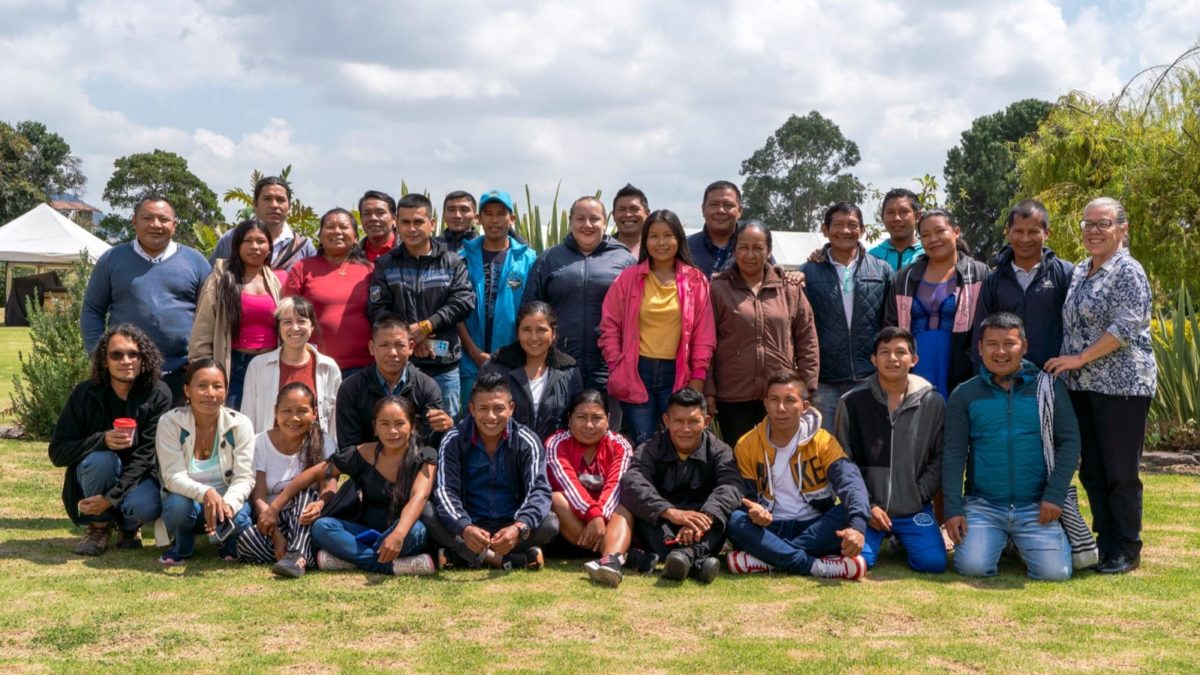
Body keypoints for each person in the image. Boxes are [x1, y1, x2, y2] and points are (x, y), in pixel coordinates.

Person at [1045, 197, 1156, 575]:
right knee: (1092, 469)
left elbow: (1125, 326)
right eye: (1088, 223)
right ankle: (1104, 540)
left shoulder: (1128, 271)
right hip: (1083, 386)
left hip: (1121, 386)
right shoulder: (1080, 271)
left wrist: (1077, 359)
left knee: (1119, 470)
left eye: (1103, 224)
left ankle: (1127, 546)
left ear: (1122, 229)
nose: (1094, 231)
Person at [944, 313, 1080, 581]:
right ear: (980, 348)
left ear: (1025, 346)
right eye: (992, 344)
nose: (1001, 352)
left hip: (1036, 506)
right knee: (973, 568)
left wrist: (1054, 495)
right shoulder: (964, 394)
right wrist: (953, 509)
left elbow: (1070, 441)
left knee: (1056, 573)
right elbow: (953, 453)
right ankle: (1003, 540)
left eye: (1009, 343)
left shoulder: (1048, 387)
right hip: (984, 506)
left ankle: (1015, 541)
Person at [723, 370, 872, 579]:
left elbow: (850, 482)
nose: (781, 408)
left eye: (789, 400)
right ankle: (814, 566)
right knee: (734, 521)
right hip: (768, 526)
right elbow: (743, 496)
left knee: (850, 510)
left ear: (804, 406)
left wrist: (856, 528)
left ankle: (767, 558)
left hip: (814, 525)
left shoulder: (823, 441)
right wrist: (753, 509)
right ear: (765, 403)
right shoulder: (747, 444)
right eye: (774, 400)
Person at [49, 325, 172, 555]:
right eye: (117, 355)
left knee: (146, 506)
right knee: (101, 460)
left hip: (139, 476)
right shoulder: (84, 394)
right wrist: (101, 440)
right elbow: (58, 452)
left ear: (143, 359)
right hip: (95, 473)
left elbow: (146, 456)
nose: (126, 360)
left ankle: (128, 527)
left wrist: (110, 498)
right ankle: (99, 527)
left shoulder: (158, 394)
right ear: (105, 361)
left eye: (133, 354)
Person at [599, 209, 716, 446]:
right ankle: (644, 484)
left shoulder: (695, 280)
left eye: (668, 235)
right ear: (645, 240)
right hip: (636, 371)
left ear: (679, 239)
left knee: (678, 442)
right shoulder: (628, 278)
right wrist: (616, 364)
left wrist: (699, 377)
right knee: (644, 443)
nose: (661, 243)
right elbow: (609, 326)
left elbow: (705, 335)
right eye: (653, 236)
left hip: (678, 373)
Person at [835, 327, 946, 573]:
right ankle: (877, 536)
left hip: (914, 508)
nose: (892, 358)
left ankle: (906, 538)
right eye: (884, 352)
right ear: (874, 359)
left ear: (914, 359)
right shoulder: (851, 402)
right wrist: (868, 505)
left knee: (933, 563)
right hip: (867, 511)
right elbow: (843, 462)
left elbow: (940, 457)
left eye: (900, 352)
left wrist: (919, 494)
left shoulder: (933, 402)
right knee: (857, 563)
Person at [285, 396, 438, 575]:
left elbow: (419, 497)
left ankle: (351, 558)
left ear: (412, 426)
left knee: (416, 530)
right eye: (384, 424)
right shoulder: (364, 453)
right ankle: (390, 566)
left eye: (399, 423)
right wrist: (276, 506)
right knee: (322, 527)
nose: (392, 431)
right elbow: (317, 472)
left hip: (404, 533)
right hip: (365, 533)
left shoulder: (426, 457)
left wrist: (397, 534)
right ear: (375, 427)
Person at [81, 196, 212, 403]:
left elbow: (210, 316)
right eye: (147, 218)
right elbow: (92, 311)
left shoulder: (196, 262)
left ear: (174, 225)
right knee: (128, 434)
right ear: (134, 222)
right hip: (128, 374)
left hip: (183, 374)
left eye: (163, 219)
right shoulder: (112, 259)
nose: (155, 225)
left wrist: (202, 360)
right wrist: (101, 356)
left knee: (178, 434)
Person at [427, 372, 558, 570]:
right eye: (483, 409)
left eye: (498, 409)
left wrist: (518, 527)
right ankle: (506, 560)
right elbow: (445, 491)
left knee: (549, 523)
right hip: (469, 524)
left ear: (511, 408)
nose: (491, 416)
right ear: (471, 409)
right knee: (428, 512)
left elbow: (538, 490)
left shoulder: (527, 440)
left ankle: (464, 556)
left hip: (510, 525)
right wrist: (465, 527)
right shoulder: (453, 439)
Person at [709, 220, 819, 444]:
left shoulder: (789, 288)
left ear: (769, 251)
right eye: (743, 247)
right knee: (739, 462)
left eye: (758, 248)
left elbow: (807, 341)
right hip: (732, 396)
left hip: (780, 396)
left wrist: (806, 387)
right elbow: (706, 345)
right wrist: (709, 391)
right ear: (734, 250)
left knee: (780, 460)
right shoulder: (718, 289)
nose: (750, 255)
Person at [367, 193, 474, 420]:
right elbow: (377, 309)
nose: (412, 228)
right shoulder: (386, 264)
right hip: (400, 367)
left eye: (418, 222)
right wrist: (410, 337)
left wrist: (425, 326)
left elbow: (463, 301)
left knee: (444, 428)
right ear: (396, 223)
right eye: (405, 222)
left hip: (443, 366)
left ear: (432, 223)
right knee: (399, 428)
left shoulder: (452, 261)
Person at [619, 388, 741, 583]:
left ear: (706, 422)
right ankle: (695, 564)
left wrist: (705, 517)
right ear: (666, 421)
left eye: (693, 421)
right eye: (678, 421)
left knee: (724, 515)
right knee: (641, 509)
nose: (685, 428)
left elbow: (731, 485)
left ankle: (680, 557)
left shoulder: (720, 451)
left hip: (703, 527)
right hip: (665, 524)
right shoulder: (651, 447)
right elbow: (632, 482)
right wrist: (670, 512)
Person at [524, 196, 635, 395]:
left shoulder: (625, 260)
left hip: (609, 365)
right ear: (570, 223)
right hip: (559, 363)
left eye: (594, 219)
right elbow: (530, 311)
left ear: (606, 222)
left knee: (605, 423)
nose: (587, 225)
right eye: (580, 218)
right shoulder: (548, 259)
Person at [545, 389, 655, 587]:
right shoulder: (556, 443)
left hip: (609, 519)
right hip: (575, 521)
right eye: (581, 417)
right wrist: (592, 514)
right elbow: (566, 483)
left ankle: (609, 561)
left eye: (597, 418)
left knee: (626, 506)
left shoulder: (621, 445)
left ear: (608, 419)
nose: (589, 425)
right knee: (556, 499)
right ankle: (616, 555)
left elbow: (616, 487)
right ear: (569, 419)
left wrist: (599, 516)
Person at [801, 203, 893, 431]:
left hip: (868, 376)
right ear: (825, 229)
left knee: (867, 443)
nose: (845, 231)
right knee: (827, 446)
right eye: (838, 225)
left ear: (862, 230)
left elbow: (890, 324)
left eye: (852, 225)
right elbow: (801, 328)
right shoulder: (808, 272)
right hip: (825, 380)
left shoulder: (882, 271)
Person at [155, 359, 255, 565]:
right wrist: (207, 493)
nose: (210, 393)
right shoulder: (169, 422)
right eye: (201, 386)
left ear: (226, 392)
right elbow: (172, 477)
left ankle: (229, 543)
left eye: (217, 386)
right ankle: (182, 545)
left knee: (241, 517)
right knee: (176, 506)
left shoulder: (241, 424)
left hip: (225, 504)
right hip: (189, 504)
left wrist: (227, 504)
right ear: (187, 390)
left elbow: (245, 477)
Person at [884, 209, 989, 399]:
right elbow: (890, 325)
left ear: (956, 231)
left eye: (940, 231)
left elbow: (988, 325)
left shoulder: (978, 273)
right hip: (915, 367)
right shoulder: (905, 277)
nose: (933, 239)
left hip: (962, 368)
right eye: (925, 235)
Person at [235, 383, 336, 577]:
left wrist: (320, 504)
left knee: (305, 492)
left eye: (302, 411)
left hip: (309, 518)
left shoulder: (324, 441)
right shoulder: (260, 442)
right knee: (246, 541)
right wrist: (276, 536)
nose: (294, 418)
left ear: (314, 413)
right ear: (275, 412)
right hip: (273, 520)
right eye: (286, 411)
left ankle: (297, 553)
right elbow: (259, 496)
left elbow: (329, 486)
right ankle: (309, 556)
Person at [189, 219, 283, 410]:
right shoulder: (220, 279)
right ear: (236, 245)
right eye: (247, 241)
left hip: (269, 366)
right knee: (232, 427)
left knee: (264, 425)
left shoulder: (274, 281)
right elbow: (203, 328)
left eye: (261, 241)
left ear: (269, 247)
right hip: (233, 367)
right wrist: (203, 369)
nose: (254, 247)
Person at [972, 199, 1074, 369]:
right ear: (1008, 232)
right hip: (1006, 376)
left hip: (1054, 375)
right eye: (1018, 231)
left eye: (1033, 231)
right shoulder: (994, 279)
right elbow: (980, 332)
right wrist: (983, 375)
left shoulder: (1065, 273)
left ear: (1047, 233)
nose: (1025, 239)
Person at [457, 189, 537, 399]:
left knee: (508, 419)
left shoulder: (528, 259)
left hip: (514, 360)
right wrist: (474, 353)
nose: (495, 220)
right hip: (469, 362)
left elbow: (533, 310)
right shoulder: (461, 259)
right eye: (488, 213)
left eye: (501, 213)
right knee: (472, 421)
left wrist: (512, 353)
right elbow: (455, 310)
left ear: (512, 218)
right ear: (478, 218)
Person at [283, 208, 374, 376]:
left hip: (363, 367)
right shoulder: (303, 268)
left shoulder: (369, 270)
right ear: (320, 235)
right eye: (330, 226)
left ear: (355, 237)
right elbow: (286, 313)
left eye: (343, 227)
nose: (337, 231)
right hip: (315, 364)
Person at [335, 317, 452, 448]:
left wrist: (444, 430)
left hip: (413, 463)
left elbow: (430, 447)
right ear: (372, 348)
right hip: (366, 466)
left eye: (400, 345)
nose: (392, 353)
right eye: (384, 345)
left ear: (411, 347)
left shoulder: (426, 387)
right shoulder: (351, 389)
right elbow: (348, 448)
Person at [241, 296, 342, 442]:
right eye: (287, 322)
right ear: (279, 328)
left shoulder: (328, 368)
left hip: (315, 454)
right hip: (267, 456)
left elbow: (334, 423)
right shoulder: (258, 366)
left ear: (312, 326)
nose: (295, 328)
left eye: (301, 321)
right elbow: (248, 418)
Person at [482, 302, 582, 441]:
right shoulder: (495, 367)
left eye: (541, 330)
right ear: (518, 333)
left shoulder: (569, 371)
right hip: (504, 456)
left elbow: (577, 420)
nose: (534, 337)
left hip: (553, 458)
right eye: (527, 330)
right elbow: (479, 415)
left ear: (553, 333)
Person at [210, 176, 316, 272]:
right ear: (255, 204)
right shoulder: (231, 239)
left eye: (280, 200)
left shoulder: (303, 248)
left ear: (289, 206)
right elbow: (211, 279)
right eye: (267, 199)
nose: (274, 205)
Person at [687, 180, 742, 277]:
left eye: (728, 205)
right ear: (703, 209)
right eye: (714, 204)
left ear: (740, 211)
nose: (720, 210)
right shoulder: (685, 248)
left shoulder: (754, 247)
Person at [868, 188, 925, 272]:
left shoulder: (928, 254)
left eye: (904, 211)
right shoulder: (871, 257)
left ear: (918, 216)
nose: (896, 218)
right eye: (890, 212)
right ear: (882, 217)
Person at [611, 183, 649, 259]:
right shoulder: (602, 250)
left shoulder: (657, 249)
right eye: (622, 209)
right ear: (613, 215)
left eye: (634, 209)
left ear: (647, 214)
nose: (628, 214)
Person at [358, 190, 397, 262]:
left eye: (380, 213)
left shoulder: (410, 249)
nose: (373, 218)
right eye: (367, 213)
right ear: (361, 219)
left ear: (394, 219)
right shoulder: (352, 255)